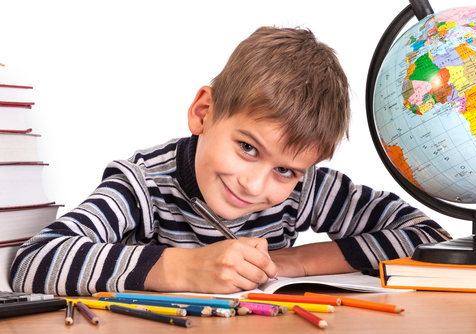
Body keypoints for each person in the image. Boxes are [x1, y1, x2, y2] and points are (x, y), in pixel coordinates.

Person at [10, 26, 451, 296]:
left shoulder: (306, 190)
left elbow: (429, 237)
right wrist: (184, 268)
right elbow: (35, 261)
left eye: (285, 170)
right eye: (247, 148)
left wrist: (292, 262)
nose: (255, 186)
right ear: (204, 112)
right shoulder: (143, 184)